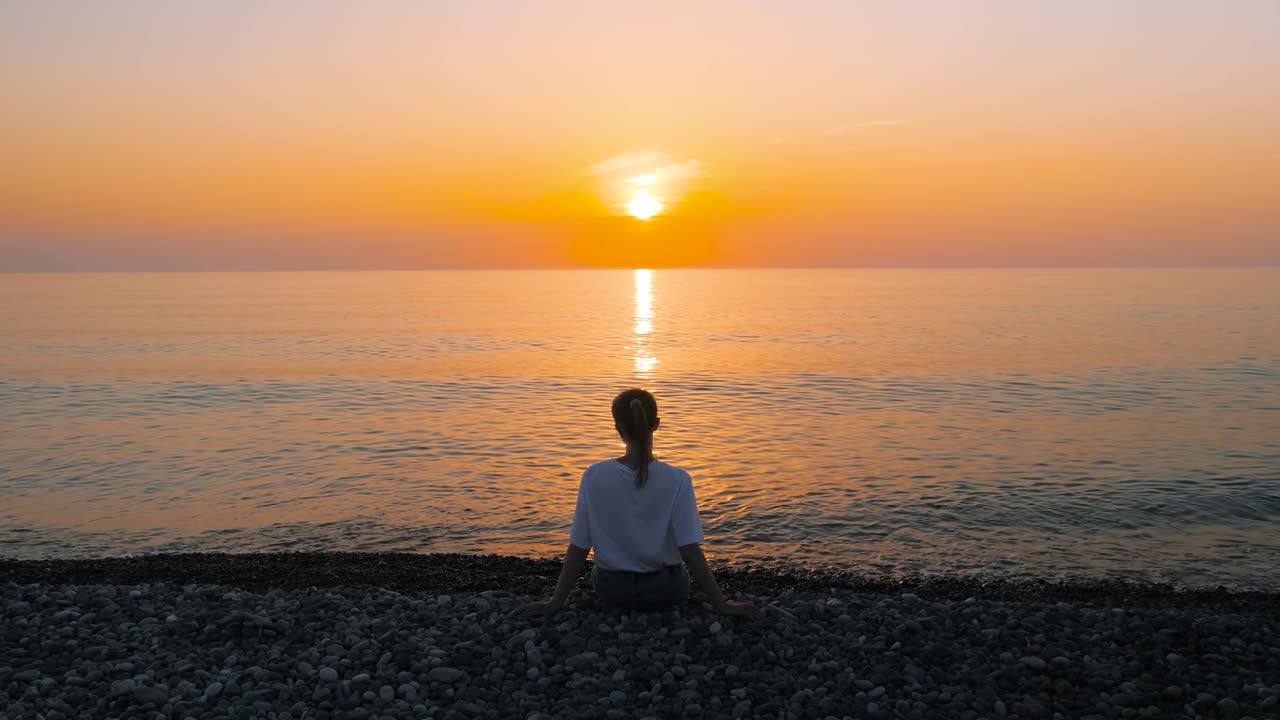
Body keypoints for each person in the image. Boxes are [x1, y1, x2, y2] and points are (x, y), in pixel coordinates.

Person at [518, 389, 763, 619]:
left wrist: (555, 602)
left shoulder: (594, 475)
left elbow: (579, 546)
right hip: (665, 591)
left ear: (617, 428)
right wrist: (722, 604)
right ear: (656, 424)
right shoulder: (677, 479)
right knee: (681, 573)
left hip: (612, 590)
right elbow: (689, 549)